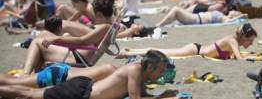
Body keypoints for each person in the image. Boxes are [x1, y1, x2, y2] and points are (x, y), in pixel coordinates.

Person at [0, 50, 178, 99]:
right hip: (79, 92)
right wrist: (161, 96)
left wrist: (160, 95)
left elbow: (143, 95)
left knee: (28, 93)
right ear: (150, 68)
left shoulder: (140, 76)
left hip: (82, 89)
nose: (161, 74)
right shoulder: (134, 70)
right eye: (160, 70)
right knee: (28, 94)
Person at [23, 0, 115, 74]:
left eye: (94, 15)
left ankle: (26, 75)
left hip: (78, 57)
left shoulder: (105, 27)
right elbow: (86, 41)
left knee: (36, 42)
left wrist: (57, 38)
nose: (93, 18)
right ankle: (36, 75)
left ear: (99, 14)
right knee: (43, 34)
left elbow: (82, 40)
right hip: (80, 54)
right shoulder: (107, 27)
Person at [117, 23, 257, 60]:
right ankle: (128, 52)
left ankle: (130, 51)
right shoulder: (232, 41)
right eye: (250, 40)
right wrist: (252, 57)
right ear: (243, 37)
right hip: (195, 50)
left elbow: (236, 55)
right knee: (163, 53)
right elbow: (239, 58)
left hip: (196, 49)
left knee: (164, 52)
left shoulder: (234, 41)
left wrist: (250, 54)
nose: (251, 43)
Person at [0, 63, 116, 88]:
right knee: (12, 83)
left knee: (14, 81)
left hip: (63, 71)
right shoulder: (117, 75)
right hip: (59, 76)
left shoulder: (116, 69)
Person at [155, 6, 246, 27]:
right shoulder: (223, 15)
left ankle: (159, 25)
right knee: (175, 12)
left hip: (196, 19)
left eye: (235, 11)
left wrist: (239, 16)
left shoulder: (225, 18)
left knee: (176, 10)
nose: (232, 10)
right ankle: (161, 24)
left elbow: (228, 22)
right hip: (194, 17)